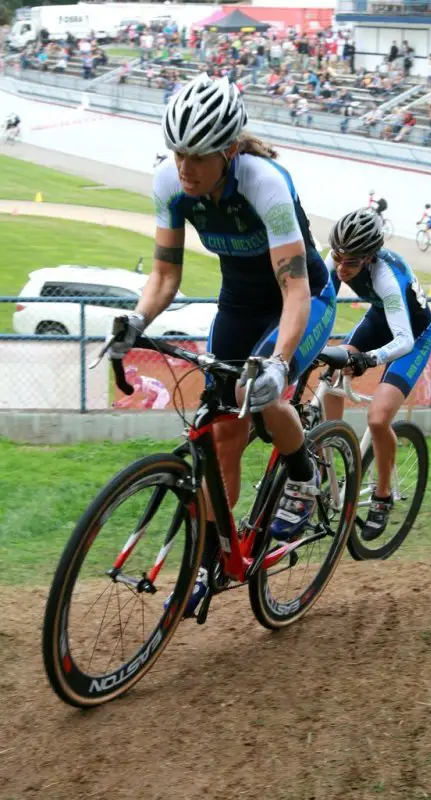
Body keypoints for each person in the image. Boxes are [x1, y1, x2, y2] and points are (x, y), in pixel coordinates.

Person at [107, 73, 336, 615]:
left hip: (302, 299)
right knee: (220, 437)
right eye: (178, 153)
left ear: (229, 151)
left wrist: (280, 362)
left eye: (199, 156)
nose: (185, 166)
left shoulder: (265, 183)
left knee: (269, 392)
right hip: (238, 302)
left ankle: (303, 479)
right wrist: (133, 324)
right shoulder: (170, 184)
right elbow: (165, 278)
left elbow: (295, 288)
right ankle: (212, 562)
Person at [323, 209, 431, 539]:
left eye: (351, 263)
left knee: (377, 418)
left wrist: (369, 359)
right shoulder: (337, 260)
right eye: (338, 258)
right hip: (379, 319)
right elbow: (319, 303)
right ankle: (332, 461)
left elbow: (402, 339)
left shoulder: (387, 275)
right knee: (330, 381)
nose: (342, 269)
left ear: (369, 257)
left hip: (413, 337)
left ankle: (382, 495)